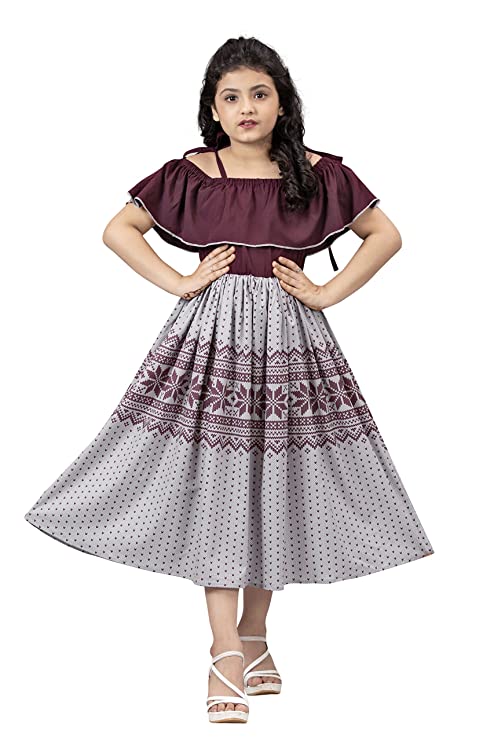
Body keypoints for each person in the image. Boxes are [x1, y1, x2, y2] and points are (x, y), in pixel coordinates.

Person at [24, 36, 434, 724]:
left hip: (292, 347)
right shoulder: (193, 173)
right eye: (231, 97)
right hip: (210, 345)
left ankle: (254, 631)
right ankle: (223, 649)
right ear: (213, 109)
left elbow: (385, 235)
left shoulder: (319, 172)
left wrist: (325, 293)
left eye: (260, 94)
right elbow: (119, 228)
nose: (246, 107)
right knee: (220, 485)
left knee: (274, 482)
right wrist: (181, 282)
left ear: (282, 103)